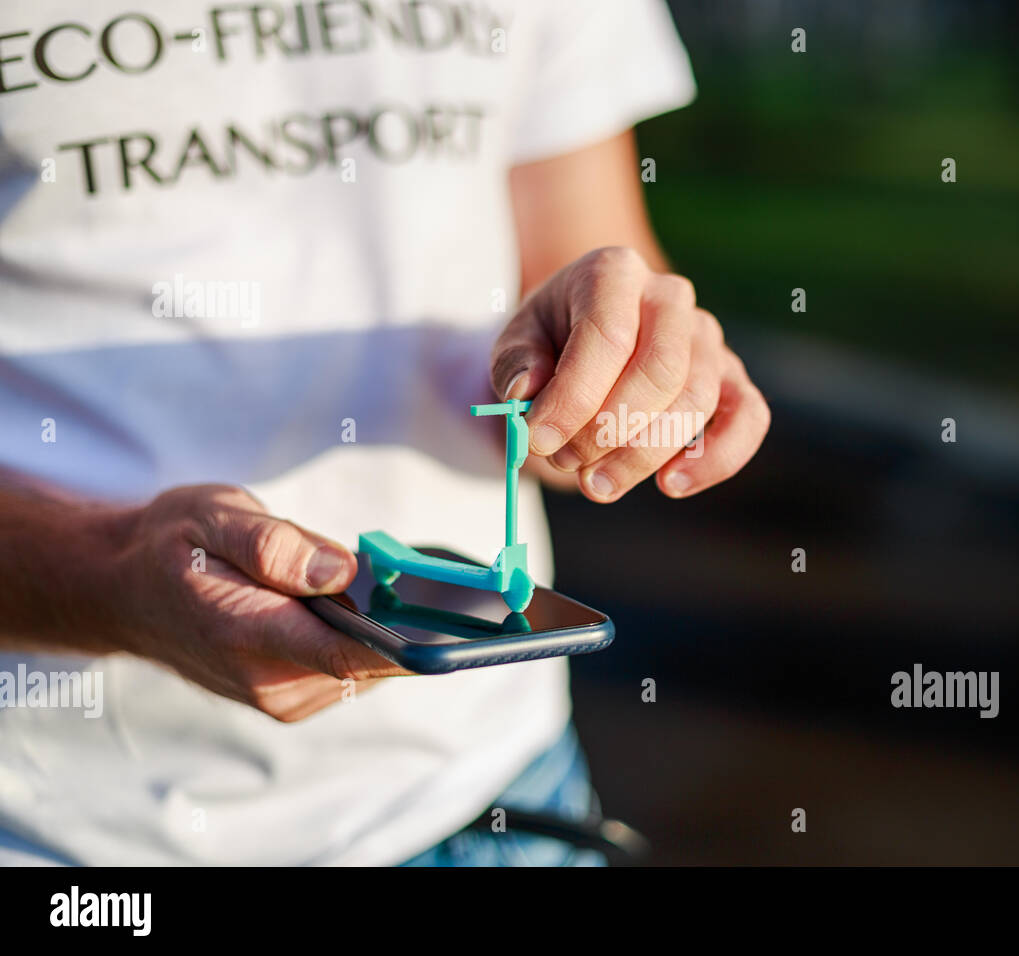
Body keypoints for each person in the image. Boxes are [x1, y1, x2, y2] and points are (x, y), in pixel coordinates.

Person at [0, 0, 769, 865]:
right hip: (61, 833)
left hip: (490, 796)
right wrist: (110, 576)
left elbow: (582, 249)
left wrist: (641, 370)